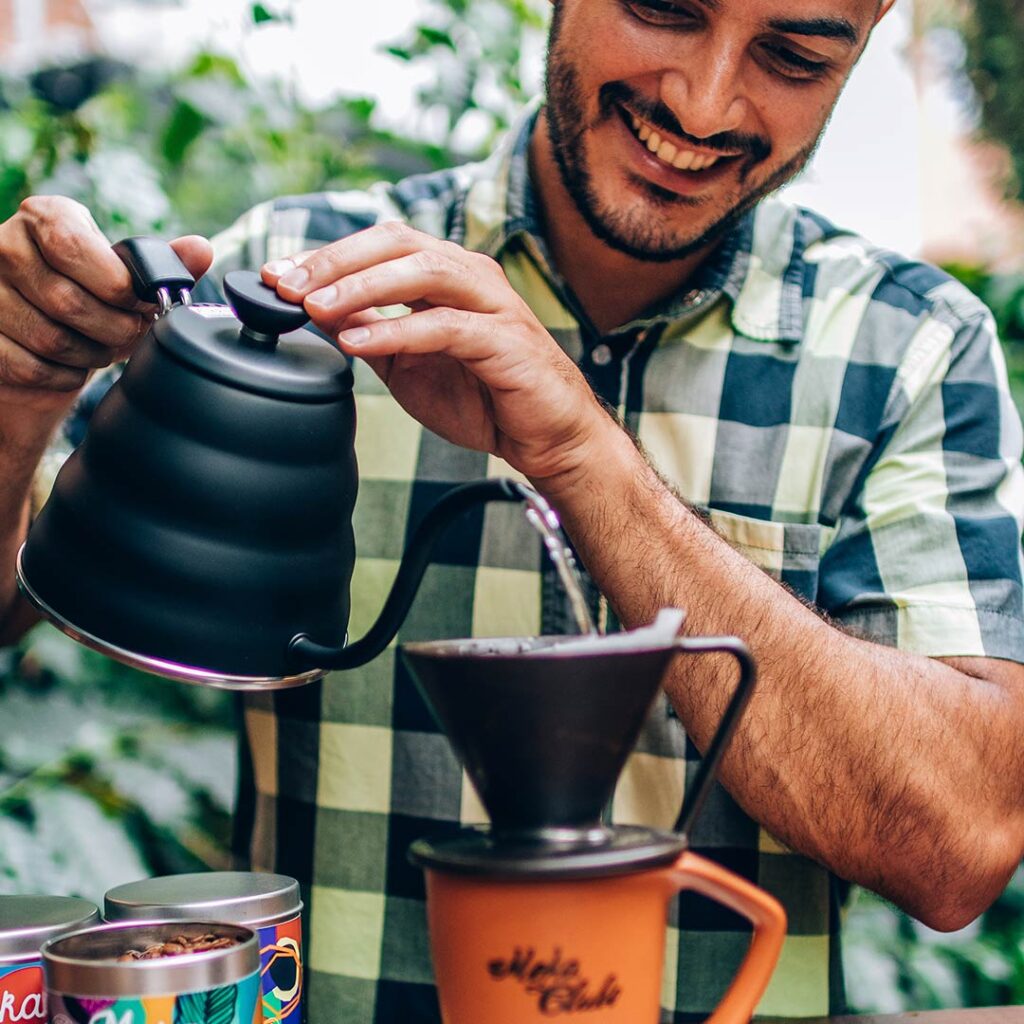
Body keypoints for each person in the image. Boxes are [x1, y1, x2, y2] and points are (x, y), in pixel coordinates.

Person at [2, 0, 1024, 1020]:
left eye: (792, 58)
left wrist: (587, 459)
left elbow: (957, 848)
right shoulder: (288, 280)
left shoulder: (906, 352)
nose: (705, 105)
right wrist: (21, 395)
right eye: (664, 10)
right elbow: (39, 594)